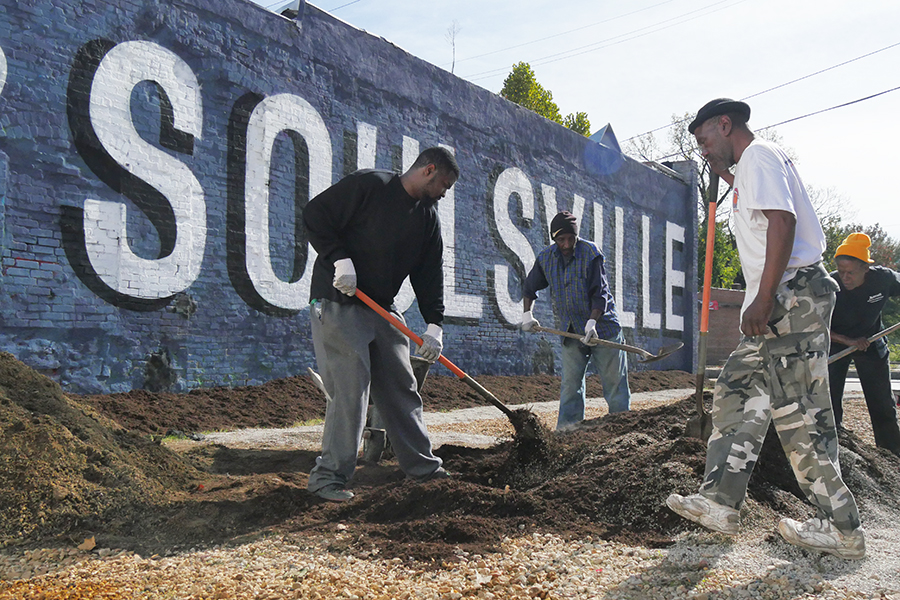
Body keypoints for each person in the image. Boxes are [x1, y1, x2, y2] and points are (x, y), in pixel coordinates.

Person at [666, 98, 866, 560]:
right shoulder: (753, 169)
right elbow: (762, 209)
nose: (702, 150)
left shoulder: (759, 154)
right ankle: (720, 502)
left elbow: (783, 220)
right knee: (736, 389)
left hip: (790, 297)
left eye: (704, 140)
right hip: (781, 300)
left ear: (725, 123)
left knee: (798, 410)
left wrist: (762, 296)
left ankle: (841, 528)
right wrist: (723, 173)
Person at [303, 146, 459, 502]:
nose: (445, 193)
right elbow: (316, 214)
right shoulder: (370, 185)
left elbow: (429, 274)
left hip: (382, 308)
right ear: (428, 169)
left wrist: (435, 324)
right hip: (338, 299)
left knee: (402, 389)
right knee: (350, 392)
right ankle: (327, 480)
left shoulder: (427, 217)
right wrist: (339, 258)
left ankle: (425, 470)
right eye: (444, 183)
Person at [520, 211, 631, 430]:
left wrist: (592, 323)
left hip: (604, 329)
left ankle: (622, 430)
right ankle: (567, 432)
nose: (567, 244)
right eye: (561, 239)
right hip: (570, 332)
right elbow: (529, 287)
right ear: (554, 239)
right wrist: (527, 314)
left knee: (615, 384)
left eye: (571, 238)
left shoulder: (590, 253)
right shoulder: (546, 258)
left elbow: (600, 292)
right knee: (571, 386)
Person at [828, 232, 900, 456]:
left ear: (865, 269)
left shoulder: (884, 278)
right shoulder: (829, 285)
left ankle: (892, 455)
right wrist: (847, 340)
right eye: (841, 272)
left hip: (871, 340)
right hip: (836, 342)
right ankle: (835, 450)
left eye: (851, 272)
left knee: (882, 404)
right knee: (829, 402)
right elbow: (816, 326)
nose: (845, 277)